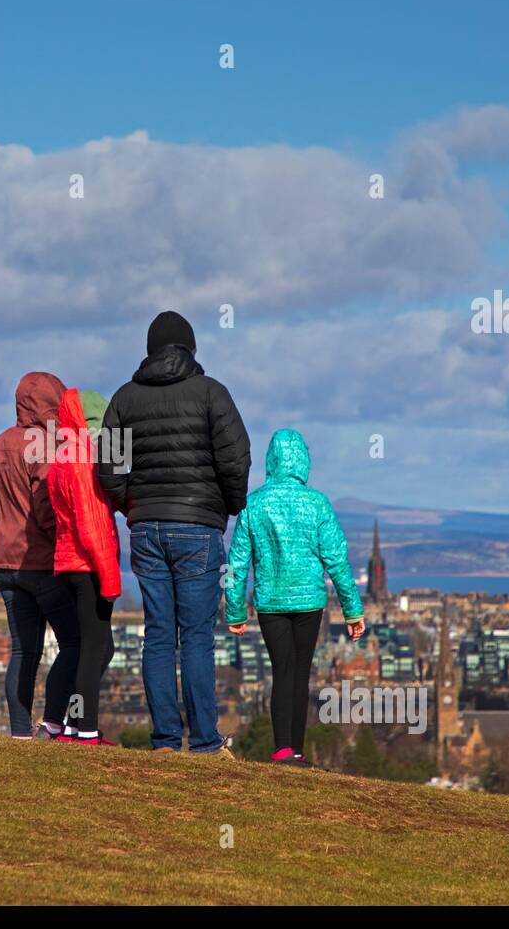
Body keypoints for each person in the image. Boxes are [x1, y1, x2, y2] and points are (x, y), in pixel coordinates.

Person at [97, 311, 251, 755]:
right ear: (191, 349)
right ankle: (204, 741)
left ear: (150, 351)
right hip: (199, 527)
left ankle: (165, 739)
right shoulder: (211, 394)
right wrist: (229, 504)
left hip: (145, 527)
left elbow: (109, 468)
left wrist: (133, 504)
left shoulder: (125, 399)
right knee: (197, 636)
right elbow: (236, 457)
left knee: (159, 633)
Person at [223, 429, 365, 766]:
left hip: (270, 602)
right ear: (303, 460)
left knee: (281, 671)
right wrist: (352, 610)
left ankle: (282, 748)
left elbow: (237, 563)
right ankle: (295, 750)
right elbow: (337, 560)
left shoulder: (253, 504)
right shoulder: (318, 504)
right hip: (309, 603)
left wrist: (234, 611)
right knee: (301, 675)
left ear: (271, 461)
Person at [0, 372, 81, 740]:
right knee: (74, 641)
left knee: (23, 650)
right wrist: (63, 541)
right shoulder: (44, 446)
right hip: (40, 561)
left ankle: (20, 733)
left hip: (4, 564)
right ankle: (55, 723)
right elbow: (46, 509)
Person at [47, 388, 121, 745]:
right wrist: (109, 578)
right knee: (97, 648)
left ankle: (74, 726)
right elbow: (92, 525)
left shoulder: (62, 455)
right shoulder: (83, 458)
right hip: (88, 564)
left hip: (70, 562)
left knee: (94, 647)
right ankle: (86, 730)